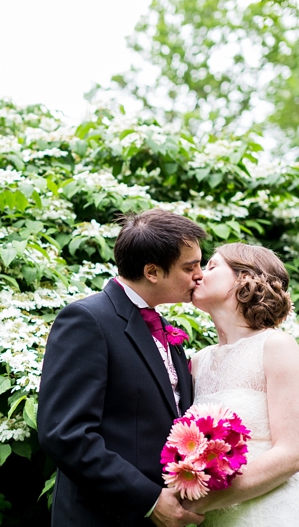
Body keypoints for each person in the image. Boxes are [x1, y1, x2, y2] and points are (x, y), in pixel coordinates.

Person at [38, 209, 207, 527]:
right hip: (103, 517)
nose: (200, 275)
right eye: (190, 267)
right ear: (153, 272)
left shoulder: (164, 327)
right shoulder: (87, 320)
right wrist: (150, 500)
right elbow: (65, 434)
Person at [185, 243, 299, 526]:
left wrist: (203, 500)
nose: (198, 274)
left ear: (244, 278)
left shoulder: (276, 346)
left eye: (212, 266)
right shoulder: (198, 362)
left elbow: (292, 454)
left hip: (272, 512)